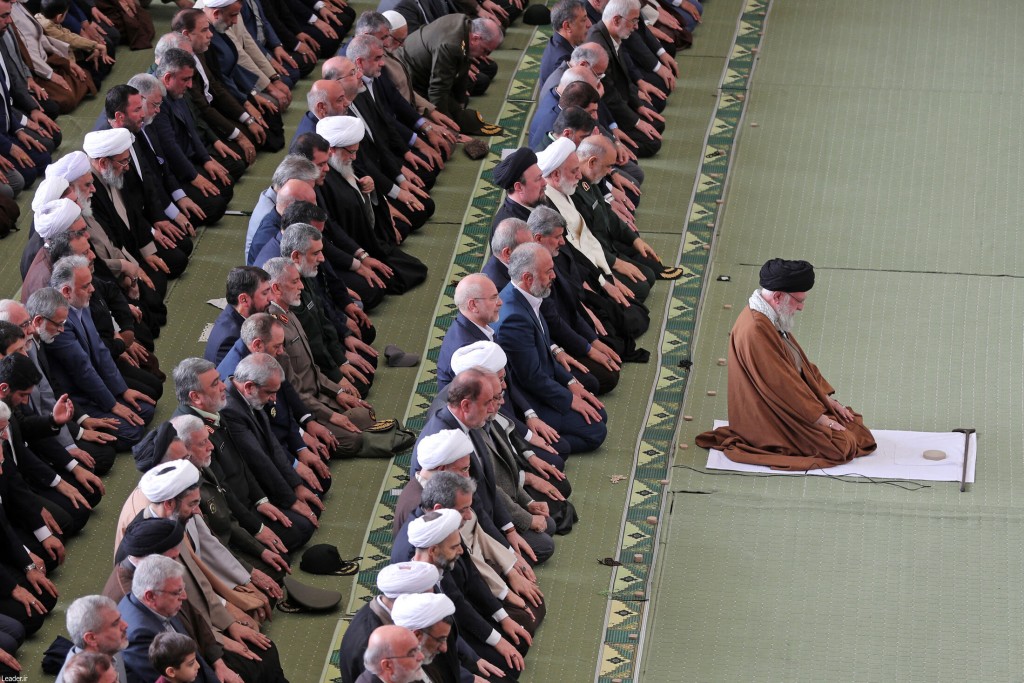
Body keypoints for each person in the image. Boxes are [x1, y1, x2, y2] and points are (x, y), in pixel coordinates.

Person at [695, 259, 877, 470]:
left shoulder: (770, 316)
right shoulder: (756, 328)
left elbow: (798, 364)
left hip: (789, 402)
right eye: (798, 301)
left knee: (857, 430)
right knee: (841, 446)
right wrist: (820, 419)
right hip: (767, 415)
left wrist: (827, 401)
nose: (801, 307)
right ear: (778, 296)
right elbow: (781, 385)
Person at [55, 595, 129, 683]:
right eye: (115, 624)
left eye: (120, 618)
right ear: (91, 638)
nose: (125, 625)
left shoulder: (110, 648)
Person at [359, 625, 425, 683]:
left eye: (418, 648)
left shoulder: (403, 676)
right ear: (387, 665)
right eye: (412, 653)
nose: (422, 656)